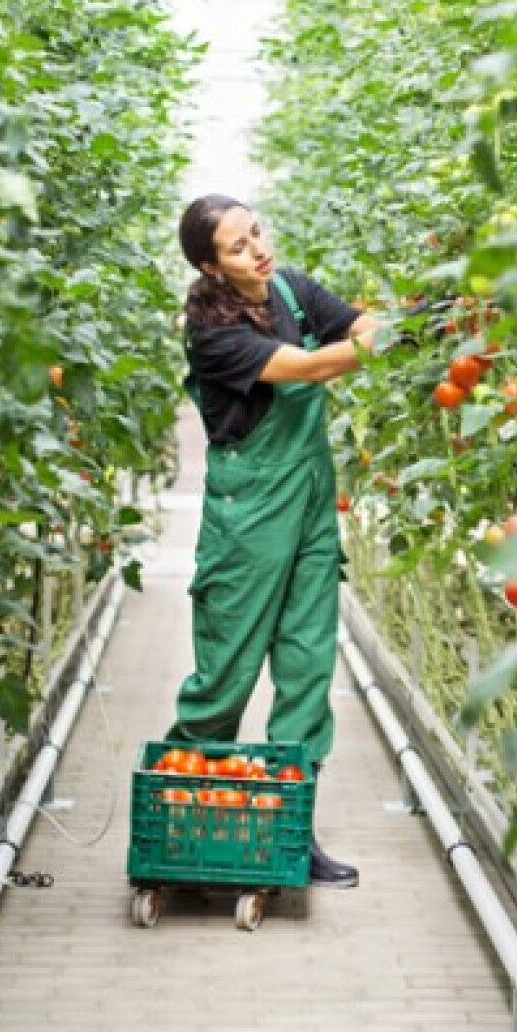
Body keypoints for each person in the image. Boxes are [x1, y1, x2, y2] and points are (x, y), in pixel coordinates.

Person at [165, 193, 378, 889]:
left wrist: (385, 325)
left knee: (308, 668)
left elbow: (353, 322)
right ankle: (185, 825)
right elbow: (313, 366)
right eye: (237, 246)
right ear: (210, 266)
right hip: (249, 517)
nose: (257, 248)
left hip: (311, 508)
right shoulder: (211, 334)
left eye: (256, 232)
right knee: (226, 674)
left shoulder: (290, 287)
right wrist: (375, 344)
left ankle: (292, 833)